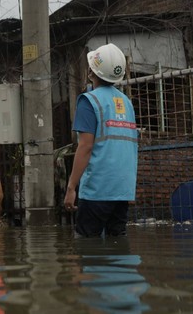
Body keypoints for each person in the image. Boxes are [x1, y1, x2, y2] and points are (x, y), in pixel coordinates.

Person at [63, 43, 139, 238]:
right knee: (118, 244)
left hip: (97, 190)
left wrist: (71, 187)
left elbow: (85, 147)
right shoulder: (127, 103)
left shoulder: (89, 101)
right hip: (122, 189)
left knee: (86, 246)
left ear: (91, 71)